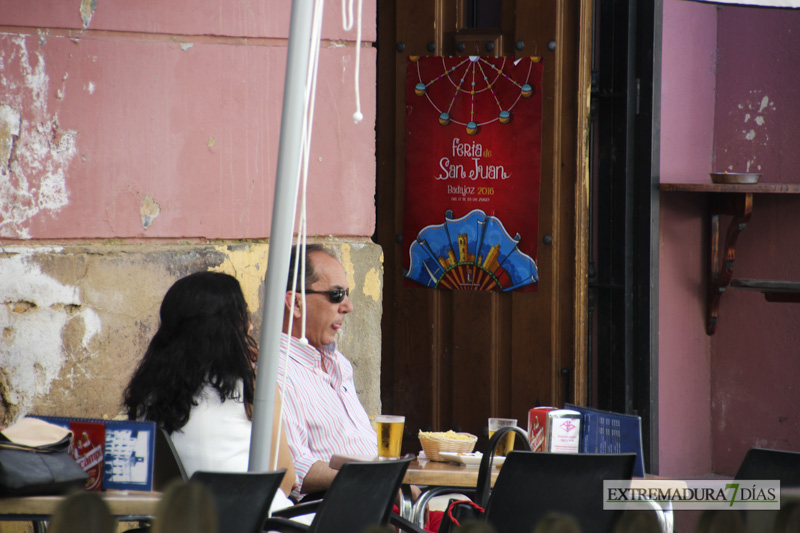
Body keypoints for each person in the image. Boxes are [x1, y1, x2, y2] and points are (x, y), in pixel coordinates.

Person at [123, 271, 297, 511]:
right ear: (228, 327)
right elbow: (285, 479)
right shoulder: (254, 386)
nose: (251, 324)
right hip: (258, 519)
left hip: (185, 522)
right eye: (244, 315)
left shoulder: (148, 394)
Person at [277, 244, 379, 495]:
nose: (348, 306)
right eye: (336, 295)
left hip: (379, 500)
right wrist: (378, 482)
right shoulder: (277, 372)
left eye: (347, 293)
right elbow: (297, 469)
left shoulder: (339, 364)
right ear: (296, 304)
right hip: (335, 511)